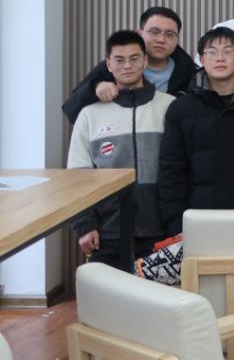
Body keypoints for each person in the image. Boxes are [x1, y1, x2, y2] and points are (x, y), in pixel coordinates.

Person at [67, 30, 177, 269]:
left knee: (158, 293)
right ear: (108, 64)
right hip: (107, 231)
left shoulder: (170, 107)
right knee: (105, 292)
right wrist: (84, 225)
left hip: (161, 228)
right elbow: (77, 176)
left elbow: (183, 169)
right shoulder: (90, 114)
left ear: (145, 61)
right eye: (119, 59)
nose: (127, 65)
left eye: (134, 58)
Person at [158, 27, 234, 236]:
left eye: (228, 51)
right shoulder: (180, 109)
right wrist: (176, 224)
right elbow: (171, 171)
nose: (220, 58)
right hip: (198, 218)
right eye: (212, 52)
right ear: (201, 59)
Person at [63, 7, 196, 124]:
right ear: (140, 33)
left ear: (177, 39)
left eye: (169, 34)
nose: (161, 40)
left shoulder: (188, 71)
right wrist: (94, 88)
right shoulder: (115, 66)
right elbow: (71, 110)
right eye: (154, 32)